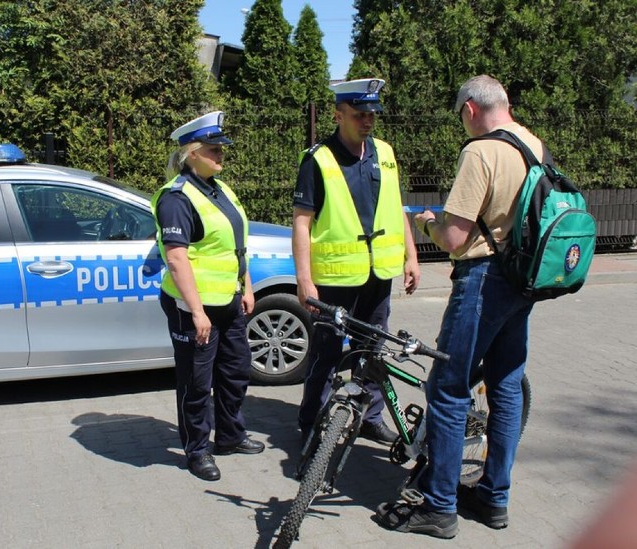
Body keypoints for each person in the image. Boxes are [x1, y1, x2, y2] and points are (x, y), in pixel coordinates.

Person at [376, 75, 541, 538]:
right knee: (505, 387)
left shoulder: (481, 151)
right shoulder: (533, 145)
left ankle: (439, 507)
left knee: (448, 390)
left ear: (470, 110)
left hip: (484, 282)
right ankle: (493, 498)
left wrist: (428, 222)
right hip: (522, 281)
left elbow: (454, 237)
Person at [293, 78, 420, 446]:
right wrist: (304, 279)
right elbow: (302, 222)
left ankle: (370, 416)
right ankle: (312, 424)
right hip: (334, 279)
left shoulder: (384, 152)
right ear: (338, 115)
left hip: (378, 273)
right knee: (327, 352)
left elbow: (396, 208)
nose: (368, 121)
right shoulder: (317, 159)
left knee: (373, 351)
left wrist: (410, 256)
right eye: (359, 114)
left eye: (372, 115)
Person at [151, 111, 265, 482]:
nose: (221, 155)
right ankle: (197, 450)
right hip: (193, 308)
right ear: (191, 153)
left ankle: (230, 436)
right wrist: (198, 312)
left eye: (221, 149)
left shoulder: (220, 188)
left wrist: (245, 286)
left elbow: (235, 247)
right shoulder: (176, 198)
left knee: (235, 371)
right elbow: (177, 258)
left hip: (229, 301)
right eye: (214, 149)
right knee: (196, 383)